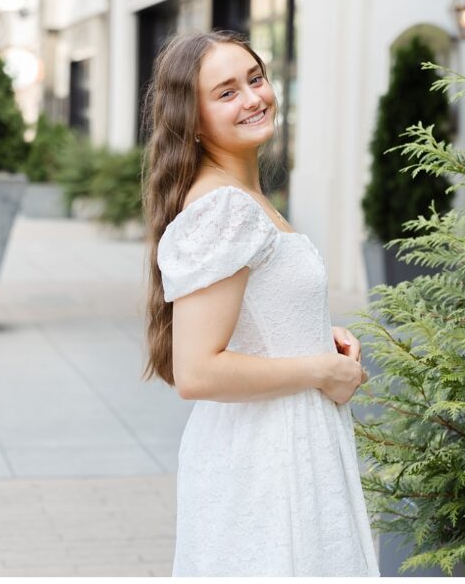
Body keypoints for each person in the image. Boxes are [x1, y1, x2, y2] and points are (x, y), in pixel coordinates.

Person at [140, 30, 380, 576]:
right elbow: (197, 371)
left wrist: (318, 336)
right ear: (193, 120)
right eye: (226, 92)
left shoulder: (243, 196)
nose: (253, 98)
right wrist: (322, 367)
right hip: (267, 458)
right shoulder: (223, 207)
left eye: (255, 78)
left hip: (287, 441)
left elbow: (255, 314)